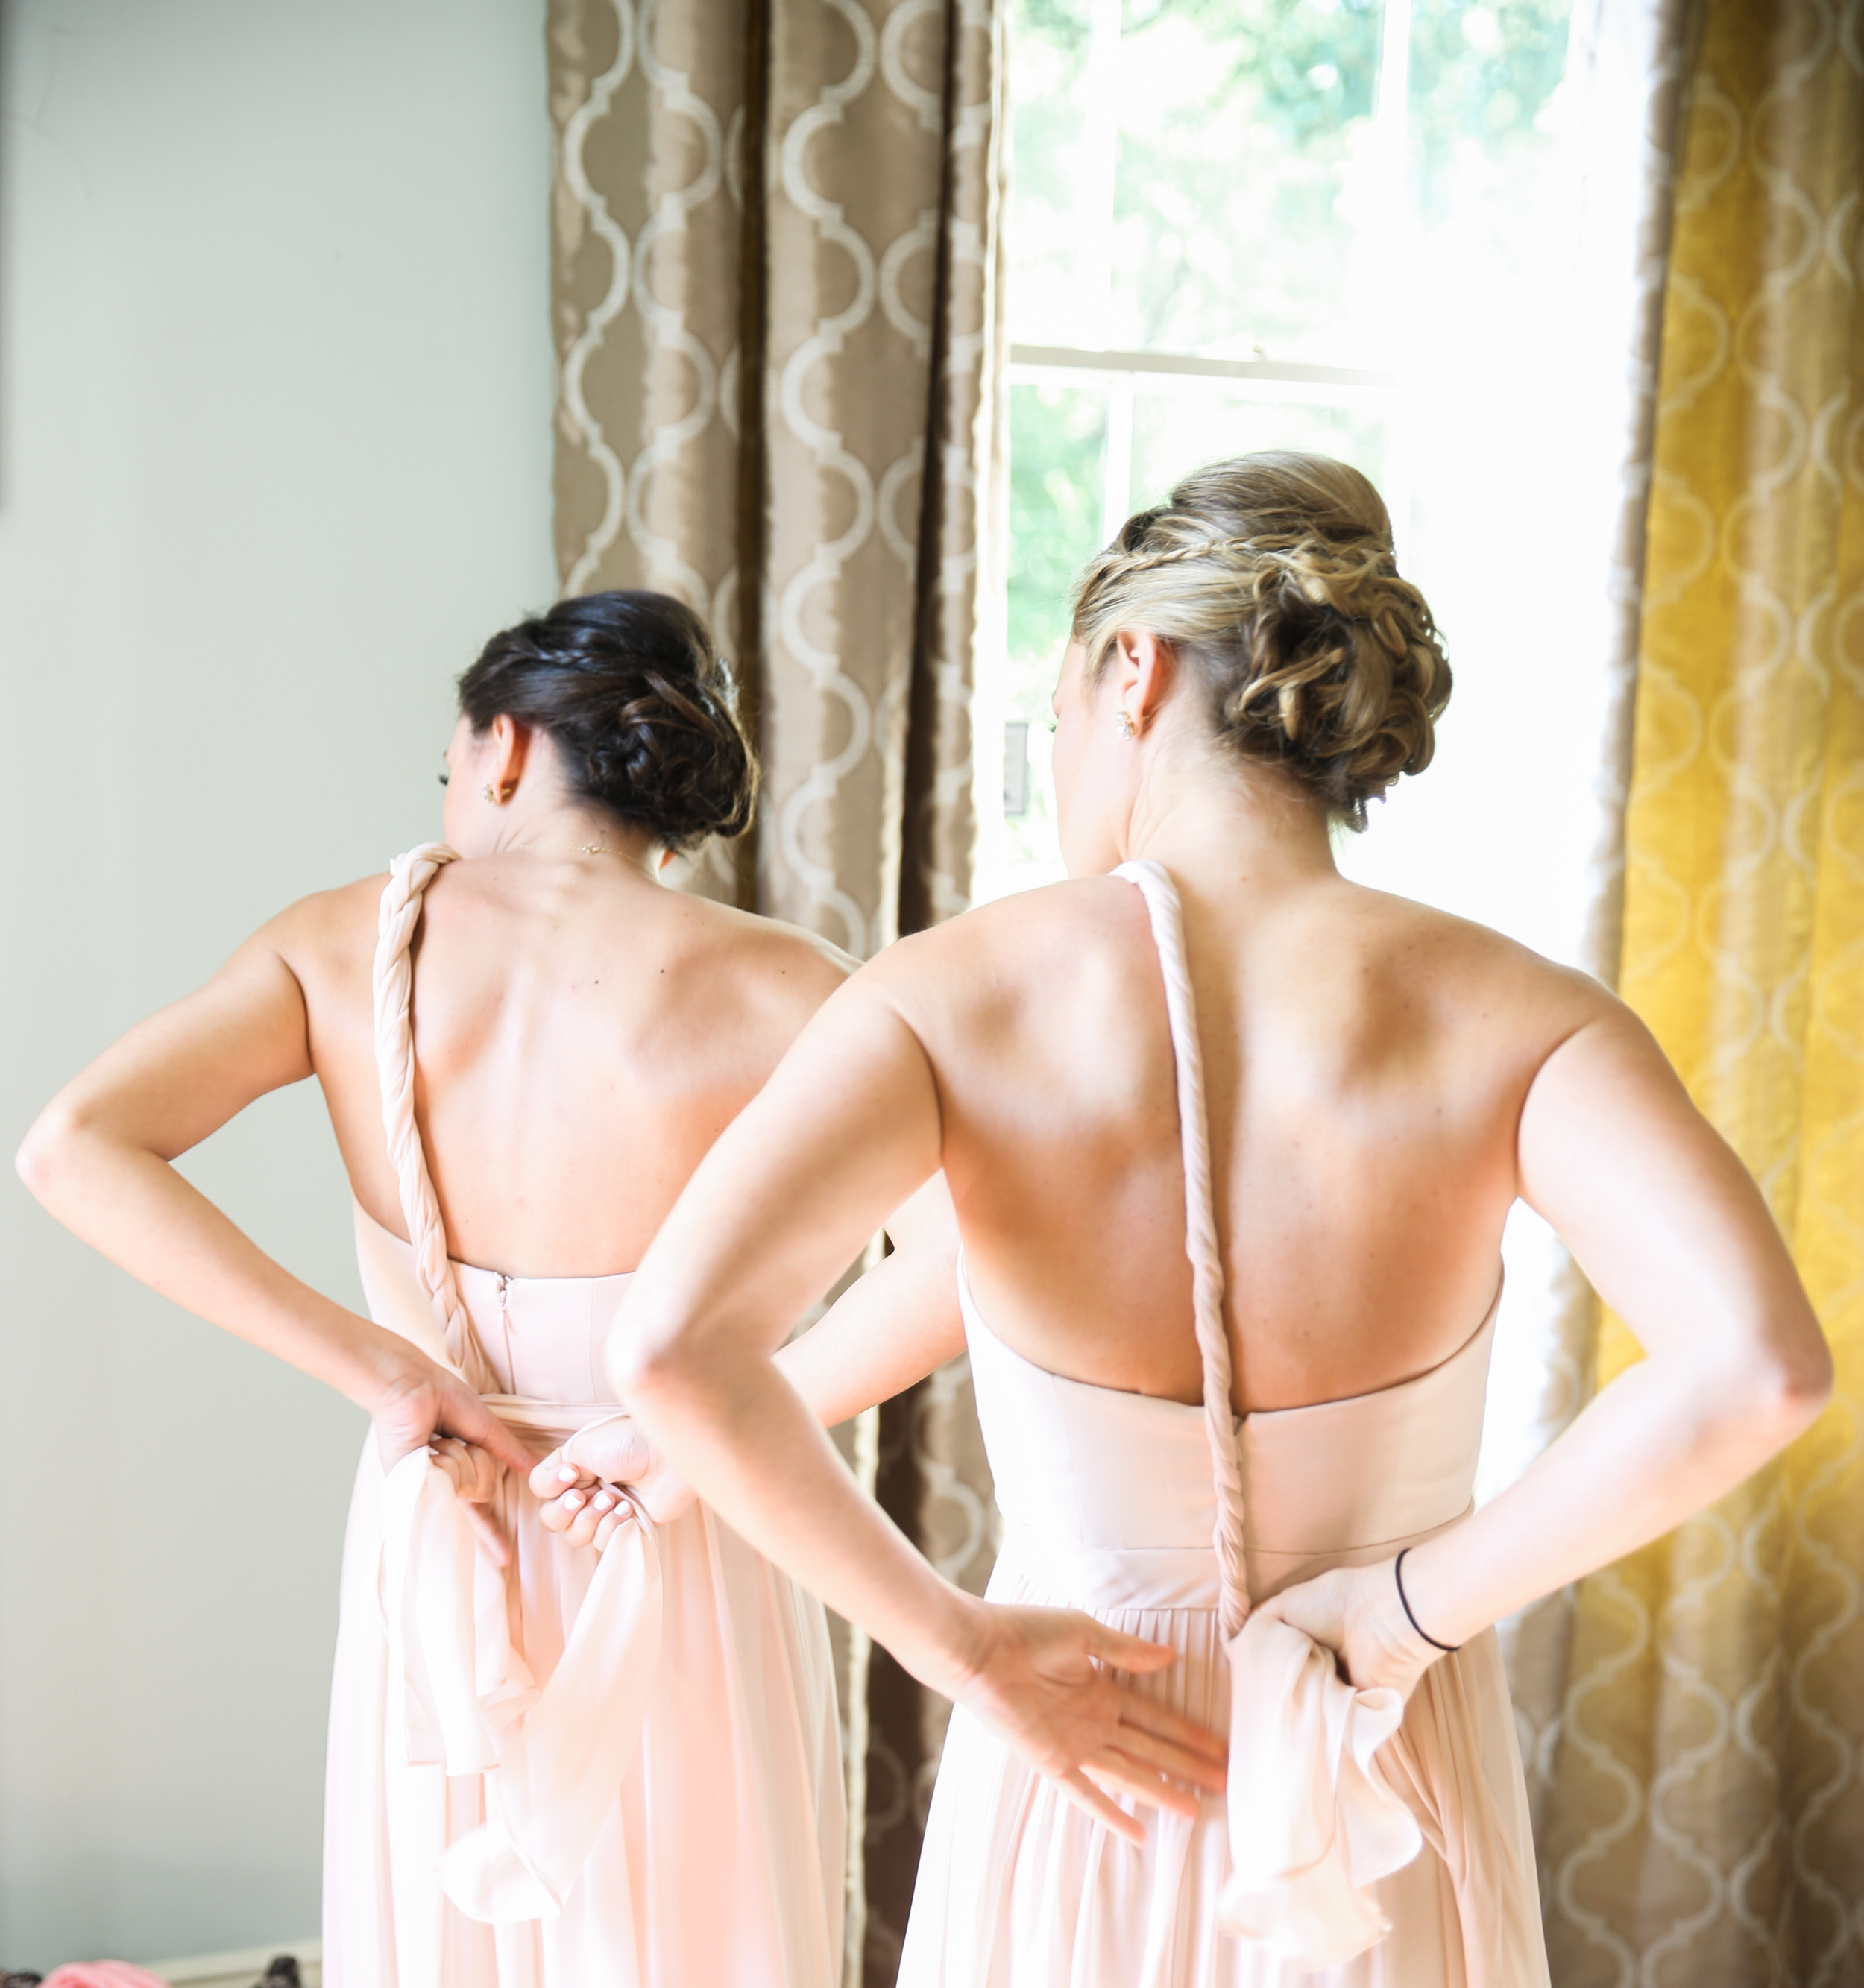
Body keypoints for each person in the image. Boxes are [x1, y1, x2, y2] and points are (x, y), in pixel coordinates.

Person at [598, 454, 1835, 1985]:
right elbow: (1761, 1369)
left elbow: (669, 1350)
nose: (1058, 759)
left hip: (1077, 1754)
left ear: (1132, 670)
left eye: (1050, 716)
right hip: (1374, 1757)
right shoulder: (1522, 1015)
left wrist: (959, 1647)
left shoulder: (947, 995)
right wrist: (1396, 1611)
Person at [14, 590, 961, 1988]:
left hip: (441, 1521)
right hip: (685, 1528)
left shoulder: (338, 944)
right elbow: (966, 1269)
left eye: (449, 764)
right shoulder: (797, 990)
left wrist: (387, 1371)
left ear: (505, 750)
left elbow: (70, 1146)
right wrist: (698, 1441)